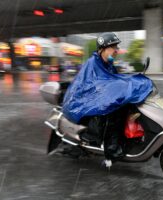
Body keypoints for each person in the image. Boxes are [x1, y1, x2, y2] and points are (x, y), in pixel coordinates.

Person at [62, 32, 153, 161]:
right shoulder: (93, 63)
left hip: (94, 97)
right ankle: (112, 148)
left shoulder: (108, 64)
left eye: (116, 47)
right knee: (113, 111)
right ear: (103, 49)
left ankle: (128, 138)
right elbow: (98, 84)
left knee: (127, 105)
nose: (116, 50)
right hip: (81, 102)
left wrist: (134, 80)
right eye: (113, 47)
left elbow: (115, 80)